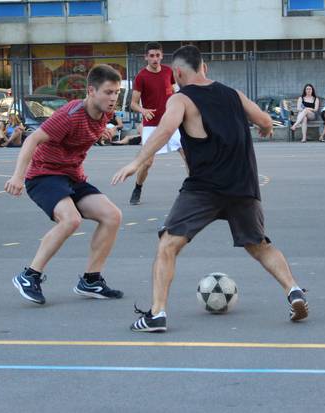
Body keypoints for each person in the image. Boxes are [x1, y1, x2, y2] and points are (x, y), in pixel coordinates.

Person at [112, 45, 309, 333]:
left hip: (204, 187)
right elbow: (265, 121)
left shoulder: (181, 99)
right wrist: (265, 128)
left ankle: (157, 314)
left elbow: (165, 130)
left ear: (177, 73)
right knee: (259, 245)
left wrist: (137, 162)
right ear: (204, 68)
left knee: (168, 244)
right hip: (243, 184)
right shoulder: (233, 93)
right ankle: (294, 291)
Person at [4, 64, 124, 306]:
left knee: (113, 216)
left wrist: (102, 132)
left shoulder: (105, 113)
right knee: (71, 219)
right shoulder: (70, 115)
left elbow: (89, 130)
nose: (113, 98)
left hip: (72, 176)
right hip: (43, 175)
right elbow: (32, 140)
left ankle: (91, 280)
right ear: (91, 91)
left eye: (117, 93)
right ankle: (29, 276)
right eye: (108, 92)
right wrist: (17, 176)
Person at [128, 41, 184, 205]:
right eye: (151, 56)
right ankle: (138, 187)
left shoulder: (168, 72)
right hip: (152, 125)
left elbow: (176, 90)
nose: (155, 59)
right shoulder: (141, 77)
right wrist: (143, 111)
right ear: (146, 57)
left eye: (157, 55)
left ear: (161, 56)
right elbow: (133, 103)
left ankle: (195, 192)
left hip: (171, 122)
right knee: (147, 163)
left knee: (188, 155)